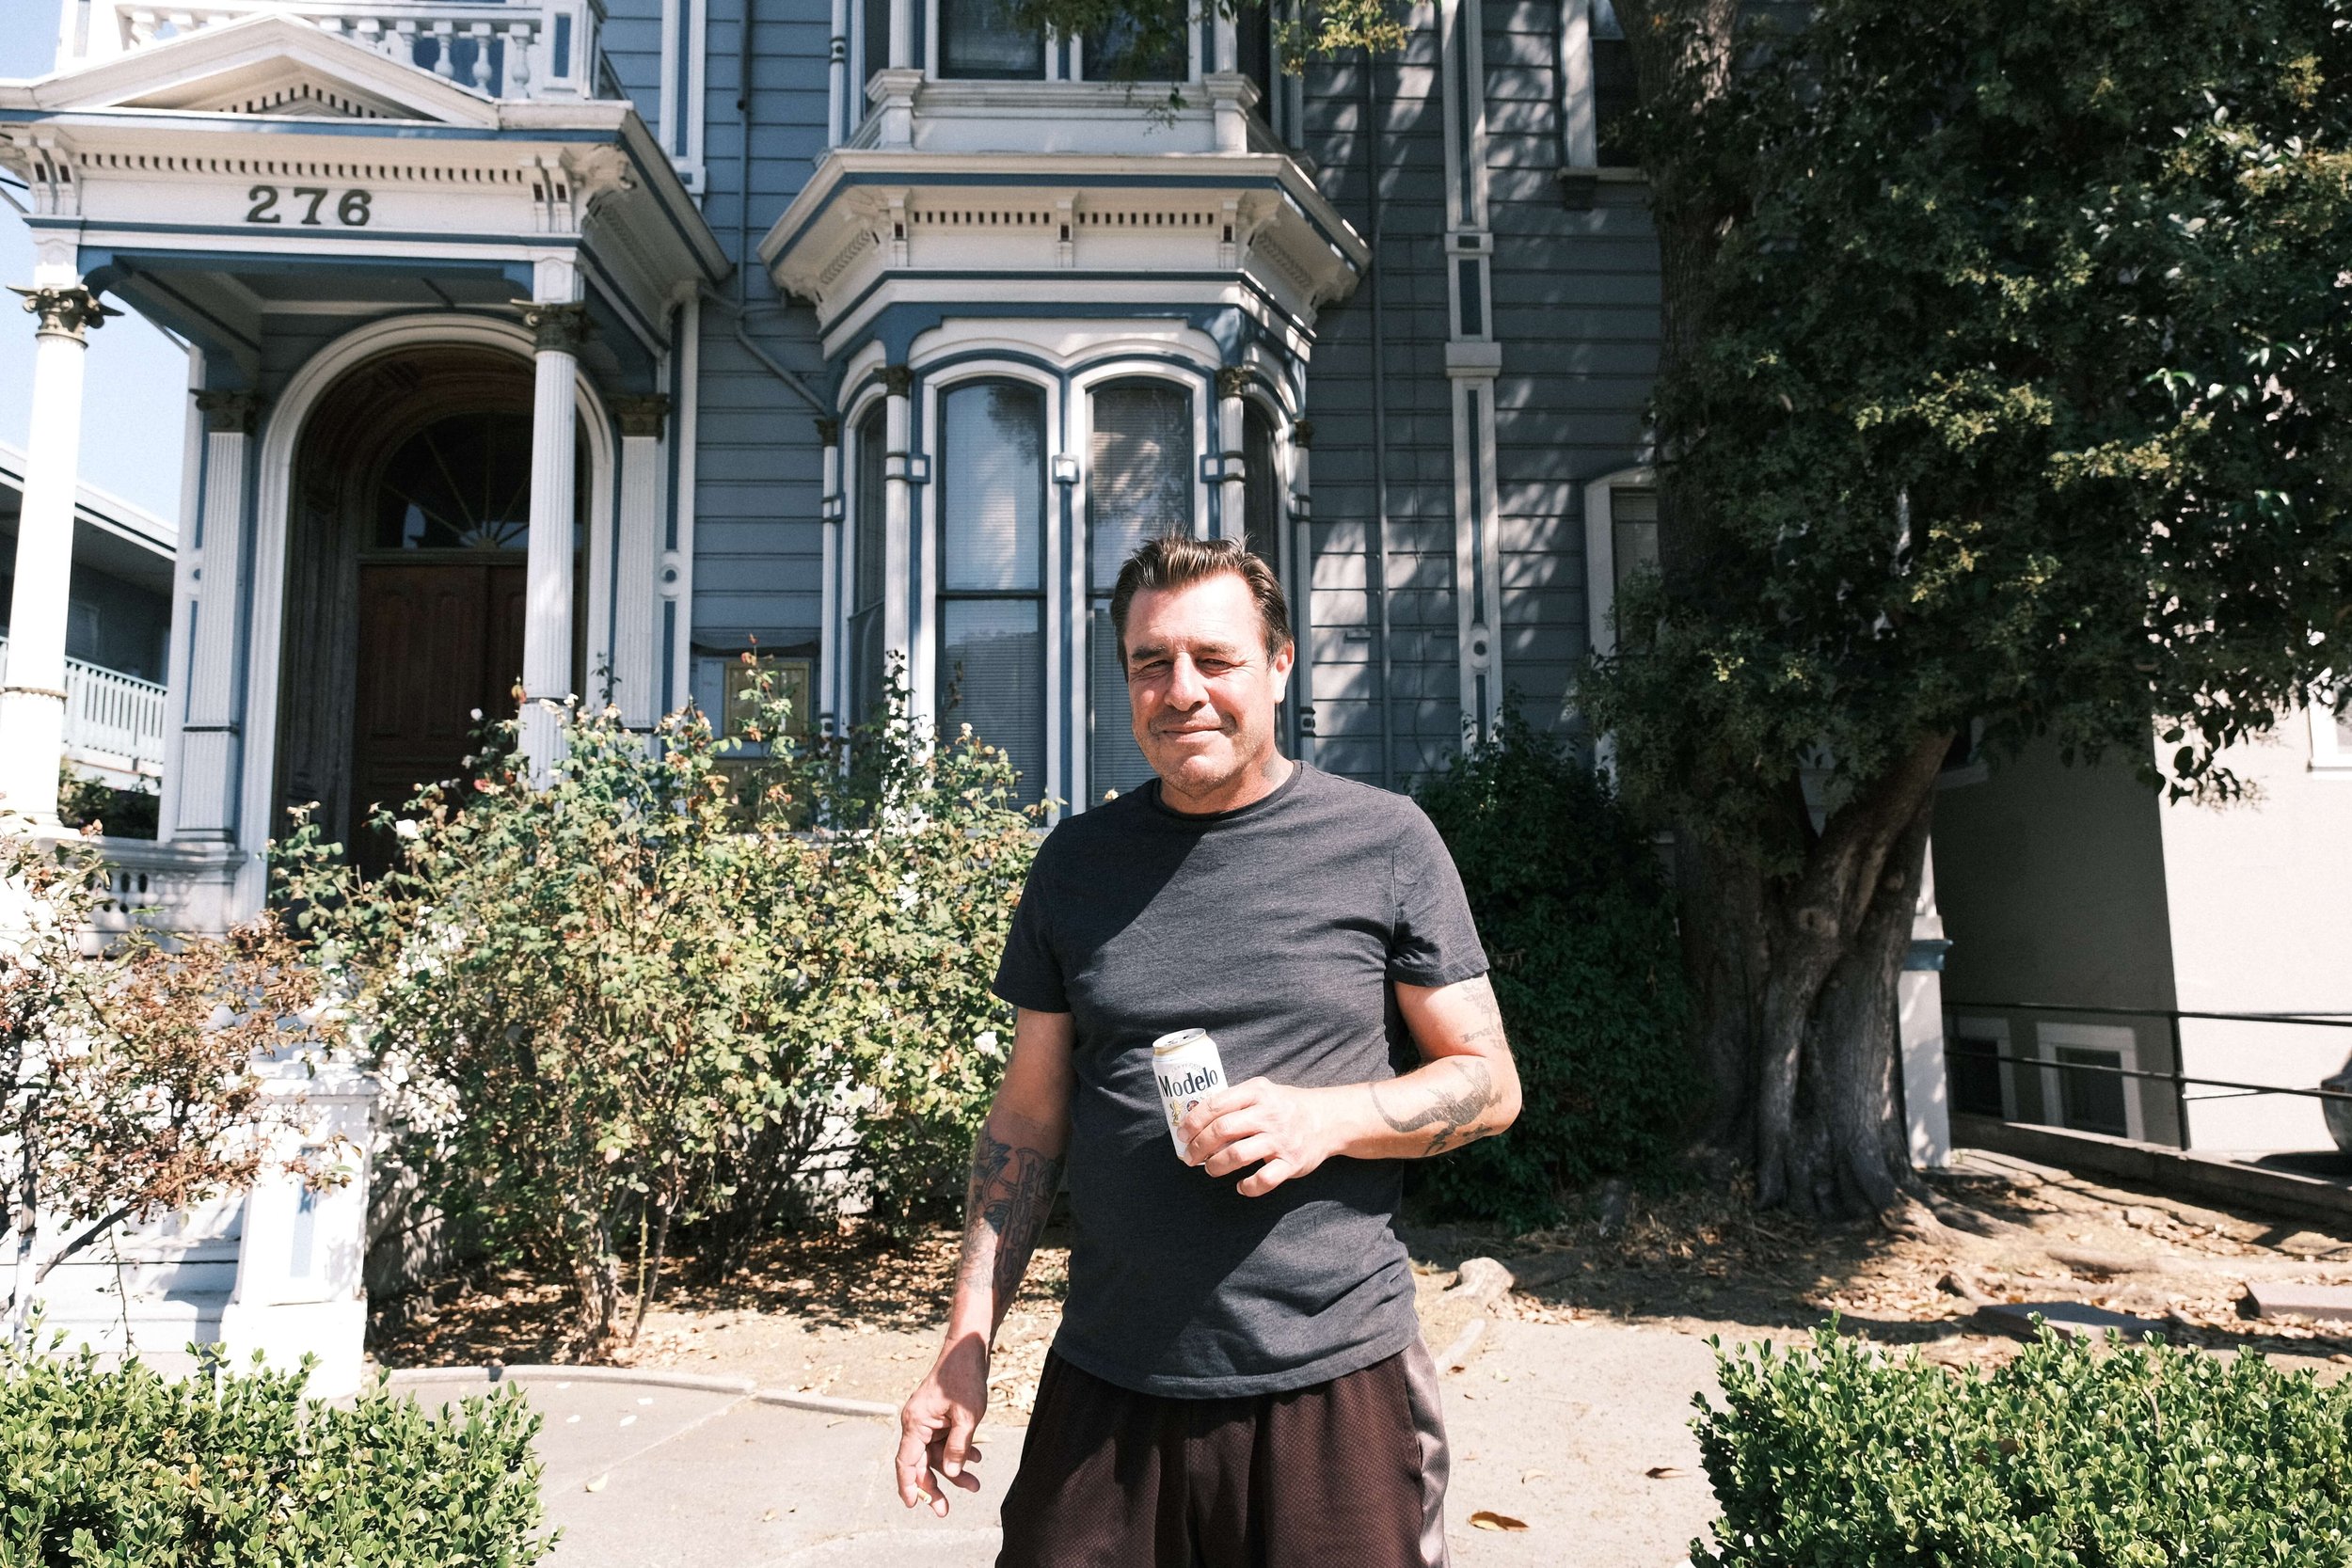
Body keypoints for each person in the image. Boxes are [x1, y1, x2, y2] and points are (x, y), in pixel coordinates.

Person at [894, 534, 1520, 1568]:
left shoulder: (1385, 841)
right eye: (1151, 662)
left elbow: (1488, 1082)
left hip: (1333, 1380)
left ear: (1278, 665)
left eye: (1215, 659)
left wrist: (1326, 1116)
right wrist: (965, 1344)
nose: (1181, 690)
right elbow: (1025, 1121)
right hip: (1109, 1379)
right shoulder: (1077, 863)